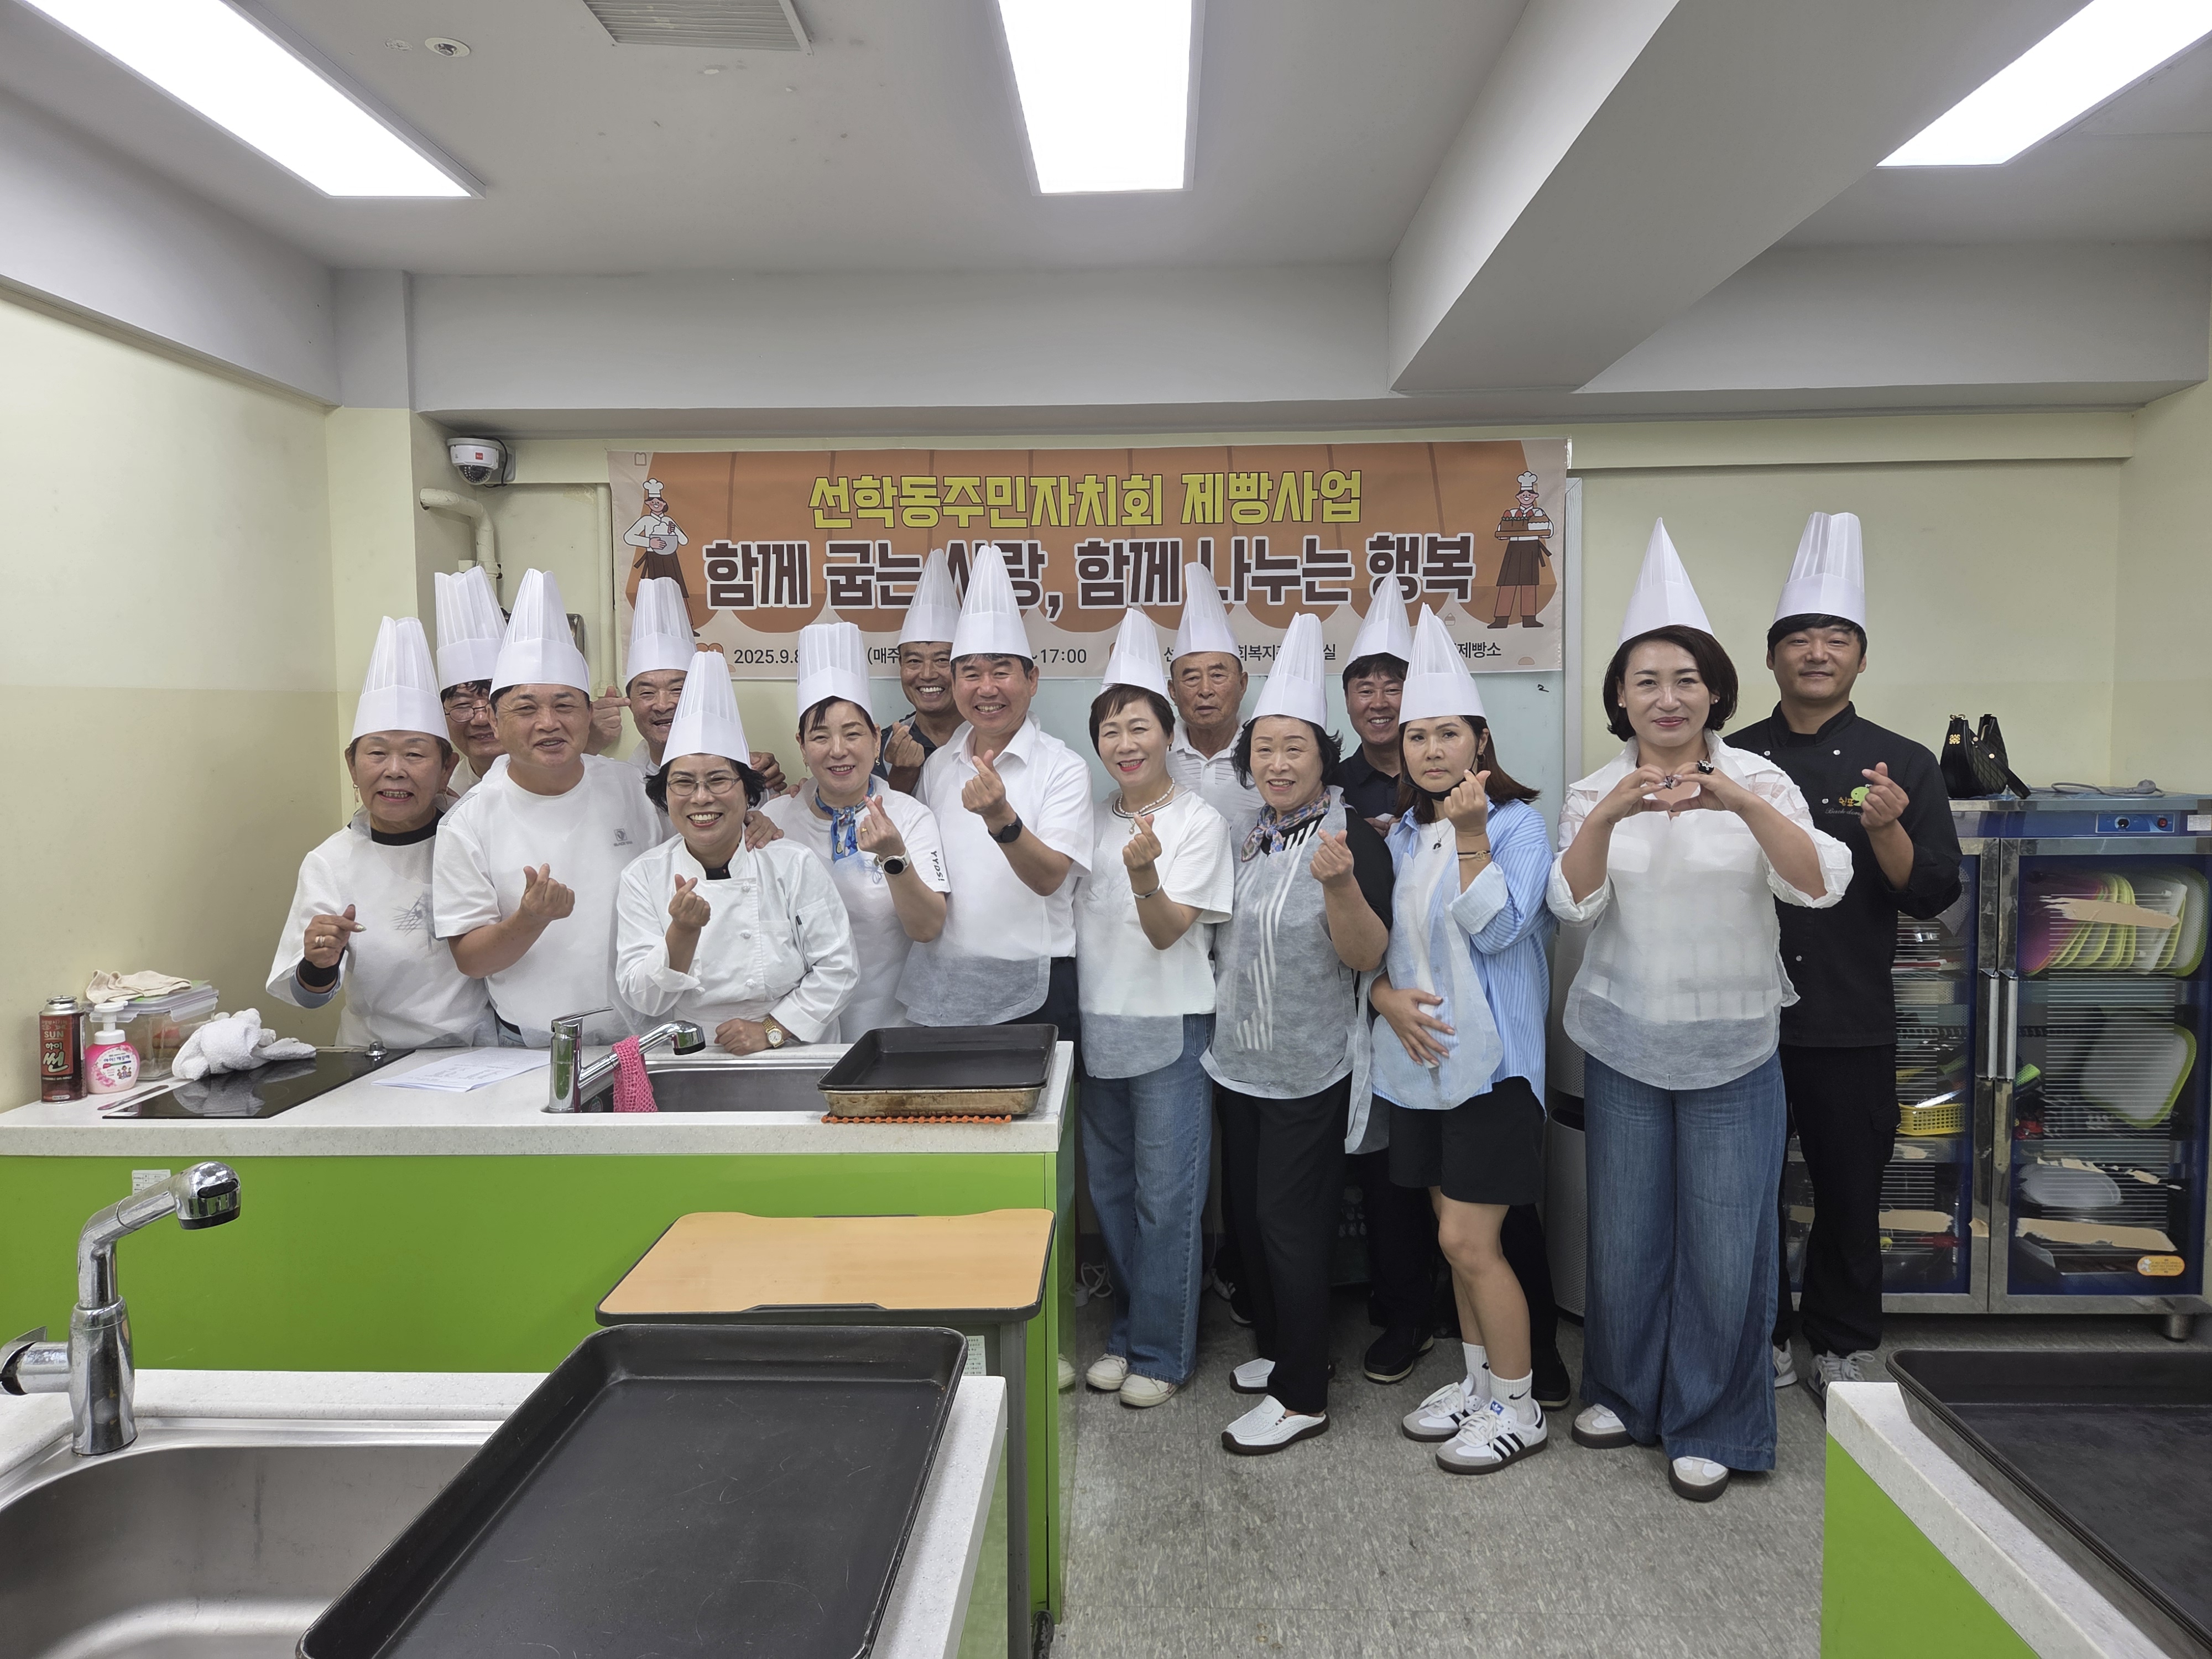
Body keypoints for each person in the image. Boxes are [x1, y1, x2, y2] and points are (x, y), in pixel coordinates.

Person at [1550, 522, 1851, 1503]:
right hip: (1627, 1040)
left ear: (1715, 690)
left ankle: (1716, 1419)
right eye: (1645, 682)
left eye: (1684, 679)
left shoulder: (1763, 778)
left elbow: (1819, 886)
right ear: (1621, 699)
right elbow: (1573, 902)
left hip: (1735, 1050)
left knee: (1728, 1246)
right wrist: (1608, 815)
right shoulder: (1595, 787)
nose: (1666, 698)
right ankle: (1626, 1393)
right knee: (1627, 1236)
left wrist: (1741, 804)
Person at [1728, 512, 1962, 1406]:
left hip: (1850, 1016)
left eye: (1835, 638)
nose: (1816, 652)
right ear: (1774, 655)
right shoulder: (1733, 756)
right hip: (1743, 1013)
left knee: (1848, 1193)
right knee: (1741, 1195)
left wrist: (1889, 828)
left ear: (1860, 659)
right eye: (1799, 637)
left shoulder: (1899, 763)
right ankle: (1763, 1334)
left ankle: (1843, 1340)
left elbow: (1927, 892)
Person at [1372, 611, 1555, 1474]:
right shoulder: (1403, 833)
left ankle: (1520, 1405)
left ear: (1480, 740)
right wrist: (1386, 999)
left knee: (1470, 1243)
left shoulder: (1517, 823)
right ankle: (1481, 1387)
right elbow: (1393, 951)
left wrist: (1475, 836)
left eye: (1448, 733)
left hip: (1498, 1071)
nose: (1432, 749)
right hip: (1429, 1065)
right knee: (1450, 1231)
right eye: (1418, 735)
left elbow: (1502, 932)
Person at [1207, 615, 1395, 1455]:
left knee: (1291, 1225)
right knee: (1249, 1218)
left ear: (1324, 758)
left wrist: (1345, 885)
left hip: (1309, 1069)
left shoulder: (1347, 837)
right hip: (1240, 1062)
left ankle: (1303, 1394)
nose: (1277, 764)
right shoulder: (1257, 831)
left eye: (1296, 750)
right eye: (1265, 750)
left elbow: (1367, 955)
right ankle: (1287, 1347)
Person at [1074, 611, 1234, 1410]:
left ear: (1167, 733)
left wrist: (1145, 877)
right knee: (1110, 1192)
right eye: (1110, 729)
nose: (1125, 742)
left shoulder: (1198, 823)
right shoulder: (1087, 820)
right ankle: (1132, 1328)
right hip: (1099, 1023)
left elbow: (1172, 930)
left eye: (1139, 726)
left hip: (1172, 1024)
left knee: (1168, 1195)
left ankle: (1163, 1352)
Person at [433, 570, 663, 1047]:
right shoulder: (469, 822)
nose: (549, 723)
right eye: (525, 708)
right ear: (496, 720)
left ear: (588, 713)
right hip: (533, 1046)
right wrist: (529, 919)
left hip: (644, 1036)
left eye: (565, 705)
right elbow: (471, 959)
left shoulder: (636, 790)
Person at [269, 617, 494, 1047]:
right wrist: (319, 960)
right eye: (376, 754)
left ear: (448, 766)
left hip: (481, 1053)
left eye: (414, 753)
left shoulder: (474, 837)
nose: (395, 770)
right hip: (375, 1058)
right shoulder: (330, 862)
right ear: (352, 765)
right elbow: (308, 996)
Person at [615, 652, 858, 1050]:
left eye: (717, 780)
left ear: (748, 793)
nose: (701, 798)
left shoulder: (792, 864)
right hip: (692, 1054)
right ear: (665, 796)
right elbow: (642, 998)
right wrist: (682, 933)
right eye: (683, 783)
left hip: (796, 1050)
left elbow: (839, 969)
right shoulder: (644, 877)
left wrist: (772, 1030)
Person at [897, 544, 1092, 1036]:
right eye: (971, 673)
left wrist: (1001, 819)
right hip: (945, 980)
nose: (986, 688)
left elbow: (1050, 878)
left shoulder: (1063, 768)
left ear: (1032, 679)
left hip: (1034, 986)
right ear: (956, 683)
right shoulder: (939, 766)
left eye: (1001, 671)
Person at [761, 620, 950, 1037]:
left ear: (875, 737)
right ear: (801, 746)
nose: (838, 751)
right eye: (821, 737)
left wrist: (893, 858)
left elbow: (927, 928)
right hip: (794, 1036)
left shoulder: (910, 816)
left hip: (893, 1034)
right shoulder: (774, 822)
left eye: (852, 734)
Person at [1165, 564, 1260, 828]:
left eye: (1218, 676)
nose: (1205, 690)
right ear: (1172, 690)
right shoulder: (1156, 754)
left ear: (1242, 684)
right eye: (1192, 678)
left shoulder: (1266, 752)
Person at [883, 549, 964, 794]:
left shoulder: (991, 737)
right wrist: (902, 774)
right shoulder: (879, 746)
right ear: (901, 666)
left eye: (942, 659)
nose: (927, 674)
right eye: (914, 661)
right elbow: (864, 823)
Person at [432, 566, 508, 797]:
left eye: (493, 704)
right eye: (463, 706)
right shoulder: (441, 798)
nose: (481, 719)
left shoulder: (561, 782)